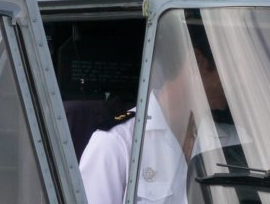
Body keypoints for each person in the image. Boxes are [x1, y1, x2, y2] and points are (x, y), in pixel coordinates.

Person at [78, 16, 230, 204]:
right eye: (231, 70)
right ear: (197, 61)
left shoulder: (233, 142)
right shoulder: (116, 143)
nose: (237, 83)